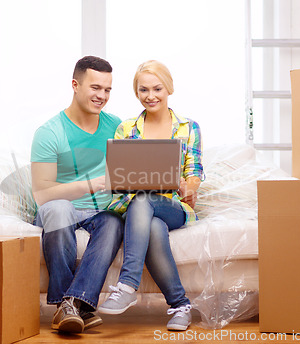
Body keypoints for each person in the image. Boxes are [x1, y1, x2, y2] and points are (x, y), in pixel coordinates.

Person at [98, 60, 205, 331]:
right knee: (152, 222)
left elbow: (194, 176)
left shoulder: (188, 127)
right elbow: (119, 176)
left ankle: (127, 284)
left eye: (157, 88)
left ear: (168, 88)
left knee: (145, 200)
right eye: (143, 90)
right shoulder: (127, 128)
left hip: (174, 207)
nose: (151, 96)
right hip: (138, 208)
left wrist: (185, 186)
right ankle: (180, 305)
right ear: (137, 93)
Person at [31, 56, 124, 333]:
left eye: (107, 90)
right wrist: (92, 183)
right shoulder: (49, 133)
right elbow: (42, 194)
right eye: (95, 88)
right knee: (59, 209)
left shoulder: (116, 126)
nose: (102, 96)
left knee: (114, 222)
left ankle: (73, 305)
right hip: (58, 208)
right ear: (75, 84)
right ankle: (68, 305)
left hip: (100, 212)